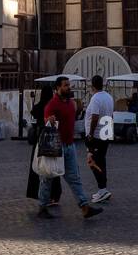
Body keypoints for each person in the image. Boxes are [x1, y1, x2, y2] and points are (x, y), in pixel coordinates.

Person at [36, 76, 102, 219]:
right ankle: (42, 207)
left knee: (74, 178)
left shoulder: (71, 103)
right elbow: (46, 122)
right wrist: (49, 121)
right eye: (65, 85)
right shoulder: (51, 105)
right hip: (55, 148)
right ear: (57, 88)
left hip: (69, 145)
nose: (68, 87)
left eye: (69, 85)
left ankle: (84, 206)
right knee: (47, 177)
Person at [26, 86, 62, 205]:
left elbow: (34, 112)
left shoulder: (38, 107)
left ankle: (41, 195)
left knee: (40, 168)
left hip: (40, 141)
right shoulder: (52, 106)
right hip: (52, 140)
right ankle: (54, 195)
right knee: (53, 168)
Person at [84, 75, 114, 204]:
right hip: (105, 133)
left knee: (93, 161)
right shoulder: (108, 97)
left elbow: (95, 117)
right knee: (101, 161)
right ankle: (103, 188)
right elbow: (111, 115)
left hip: (96, 135)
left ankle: (102, 189)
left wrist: (90, 133)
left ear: (93, 85)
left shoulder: (95, 99)